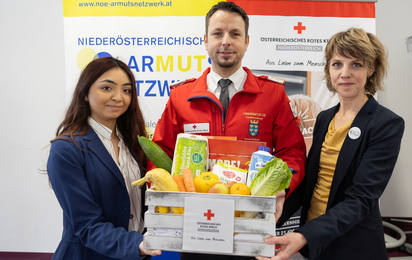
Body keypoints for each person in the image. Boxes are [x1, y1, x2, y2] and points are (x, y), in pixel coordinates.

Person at [149, 1, 306, 259]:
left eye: (234, 34)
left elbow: (294, 152)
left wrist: (280, 189)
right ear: (205, 40)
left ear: (246, 41)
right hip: (195, 227)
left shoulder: (273, 94)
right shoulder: (180, 96)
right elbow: (160, 153)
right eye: (217, 33)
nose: (226, 41)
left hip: (251, 225)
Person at [257, 28, 405, 260]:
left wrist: (305, 234)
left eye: (355, 64)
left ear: (371, 68)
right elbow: (311, 181)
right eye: (337, 64)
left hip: (353, 246)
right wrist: (275, 204)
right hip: (316, 244)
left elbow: (362, 199)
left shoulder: (386, 124)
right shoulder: (324, 118)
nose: (344, 73)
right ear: (328, 69)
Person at [47, 57, 161, 260]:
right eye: (107, 88)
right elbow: (86, 225)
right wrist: (137, 244)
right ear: (84, 94)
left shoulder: (135, 143)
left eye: (126, 90)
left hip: (137, 254)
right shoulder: (66, 149)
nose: (119, 97)